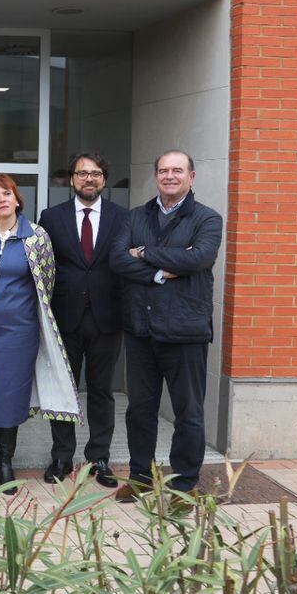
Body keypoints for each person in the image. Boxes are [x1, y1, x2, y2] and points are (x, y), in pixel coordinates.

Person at [0, 174, 81, 495]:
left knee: (10, 396)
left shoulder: (36, 236)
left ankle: (6, 460)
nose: (2, 199)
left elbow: (46, 285)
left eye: (7, 194)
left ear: (17, 198)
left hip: (19, 334)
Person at [111, 150, 222, 496]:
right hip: (141, 330)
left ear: (191, 177)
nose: (169, 176)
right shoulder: (135, 217)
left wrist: (143, 253)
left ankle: (185, 484)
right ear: (156, 176)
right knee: (139, 410)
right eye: (163, 170)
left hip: (185, 331)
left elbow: (200, 258)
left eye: (177, 170)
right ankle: (140, 477)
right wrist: (163, 272)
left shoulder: (207, 219)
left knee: (188, 414)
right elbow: (117, 259)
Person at [38, 153, 127, 487]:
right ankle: (61, 456)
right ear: (71, 179)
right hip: (64, 318)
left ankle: (99, 457)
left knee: (102, 391)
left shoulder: (122, 218)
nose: (88, 179)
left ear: (104, 179)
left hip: (107, 317)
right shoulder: (51, 217)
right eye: (82, 173)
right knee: (63, 390)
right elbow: (44, 266)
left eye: (95, 174)